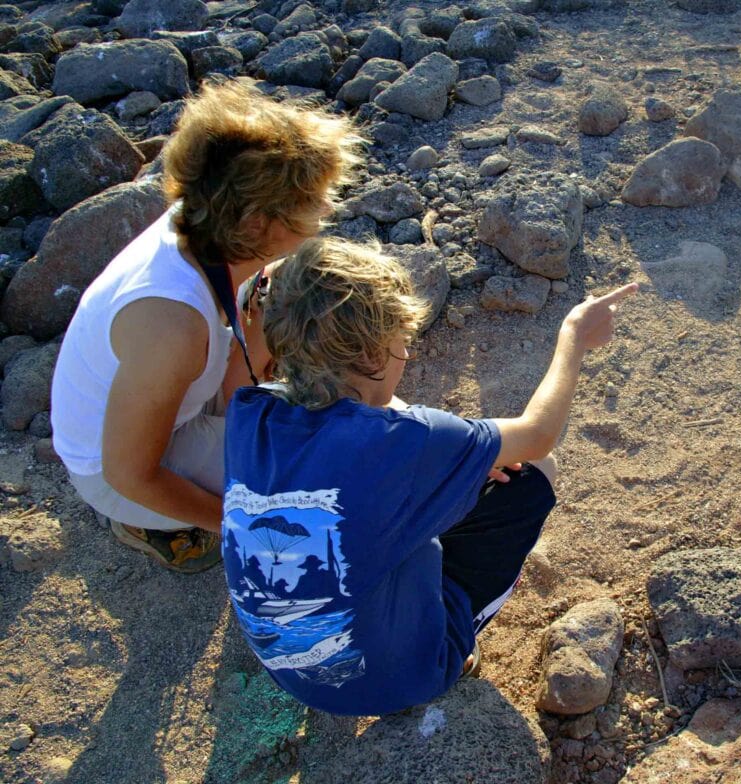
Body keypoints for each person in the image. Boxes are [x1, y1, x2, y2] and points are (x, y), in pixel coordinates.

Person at [221, 236, 637, 716]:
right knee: (534, 474)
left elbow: (380, 424)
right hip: (387, 681)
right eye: (403, 342)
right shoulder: (402, 442)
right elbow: (539, 434)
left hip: (291, 667)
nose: (409, 355)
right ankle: (453, 655)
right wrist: (574, 337)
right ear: (376, 352)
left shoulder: (248, 409)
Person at [50, 78, 363, 573]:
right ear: (260, 223)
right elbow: (128, 472)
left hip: (175, 396)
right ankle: (153, 521)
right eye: (314, 201)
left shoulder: (207, 216)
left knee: (293, 317)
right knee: (315, 479)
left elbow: (246, 315)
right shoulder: (171, 325)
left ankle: (236, 452)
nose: (325, 211)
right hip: (116, 470)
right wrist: (240, 522)